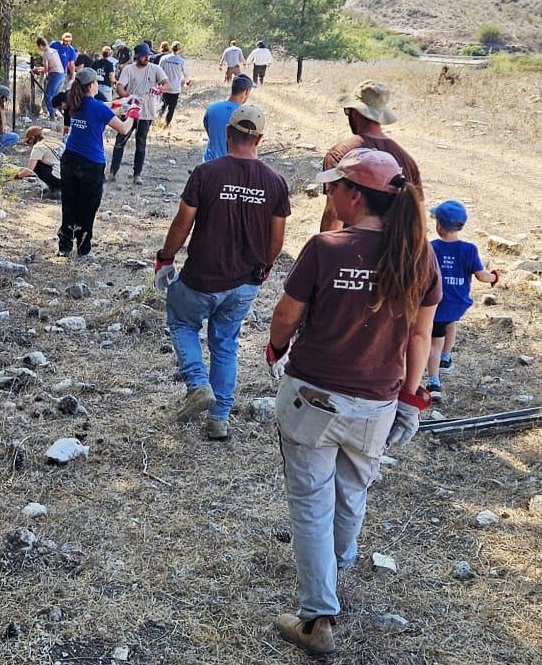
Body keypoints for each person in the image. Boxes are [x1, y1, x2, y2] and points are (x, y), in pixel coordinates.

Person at [267, 148, 440, 657]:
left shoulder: (326, 247)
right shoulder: (418, 255)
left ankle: (317, 612)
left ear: (355, 194)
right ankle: (336, 563)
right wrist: (412, 396)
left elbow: (284, 316)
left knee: (310, 501)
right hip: (376, 402)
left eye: (334, 187)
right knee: (352, 490)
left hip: (312, 397)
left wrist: (276, 349)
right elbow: (421, 334)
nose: (329, 195)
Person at [155, 105, 290, 439]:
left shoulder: (206, 173)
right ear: (259, 138)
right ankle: (219, 420)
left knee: (182, 321)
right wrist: (264, 267)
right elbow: (277, 240)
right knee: (226, 343)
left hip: (201, 277)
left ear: (228, 133)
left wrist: (166, 257)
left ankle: (198, 383)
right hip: (244, 282)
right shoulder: (275, 182)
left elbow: (182, 224)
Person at [320, 80, 422, 232]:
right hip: (394, 251)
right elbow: (416, 218)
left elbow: (333, 214)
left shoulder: (340, 154)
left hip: (353, 249)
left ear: (355, 112)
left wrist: (325, 250)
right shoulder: (407, 161)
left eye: (347, 111)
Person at [425, 200, 500, 401]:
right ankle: (446, 358)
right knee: (452, 324)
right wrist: (494, 277)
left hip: (436, 304)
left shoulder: (431, 248)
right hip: (457, 304)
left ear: (439, 225)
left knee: (434, 342)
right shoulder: (469, 249)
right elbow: (481, 275)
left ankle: (433, 381)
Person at [58, 68, 135, 257]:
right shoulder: (97, 107)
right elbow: (124, 129)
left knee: (69, 203)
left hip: (69, 159)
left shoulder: (74, 102)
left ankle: (65, 245)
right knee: (88, 206)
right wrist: (133, 113)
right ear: (92, 85)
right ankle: (83, 247)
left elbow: (102, 106)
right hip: (91, 163)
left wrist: (120, 102)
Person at [109, 42, 169, 185]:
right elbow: (120, 86)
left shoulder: (155, 69)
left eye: (148, 55)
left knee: (141, 143)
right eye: (143, 56)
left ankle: (137, 175)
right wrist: (128, 98)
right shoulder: (128, 69)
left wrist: (159, 89)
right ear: (137, 57)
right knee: (120, 141)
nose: (146, 58)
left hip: (146, 112)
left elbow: (167, 84)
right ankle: (112, 172)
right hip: (129, 111)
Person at [202, 73, 254, 162]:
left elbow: (208, 130)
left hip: (209, 162)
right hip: (232, 166)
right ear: (246, 91)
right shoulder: (246, 115)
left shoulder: (212, 108)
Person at [13, 126, 64, 199]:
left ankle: (54, 190)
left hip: (61, 180)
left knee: (36, 166)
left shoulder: (38, 146)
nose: (28, 144)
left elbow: (29, 171)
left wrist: (18, 176)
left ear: (33, 138)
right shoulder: (56, 141)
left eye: (28, 141)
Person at [157, 41, 190, 128]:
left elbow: (159, 70)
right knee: (171, 108)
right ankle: (167, 124)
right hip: (175, 88)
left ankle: (157, 121)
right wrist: (187, 81)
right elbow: (186, 73)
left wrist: (158, 83)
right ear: (179, 49)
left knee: (163, 105)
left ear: (171, 48)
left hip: (165, 86)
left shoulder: (164, 58)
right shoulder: (181, 61)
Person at [35, 37, 66, 120]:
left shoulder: (46, 54)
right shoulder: (53, 51)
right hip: (61, 74)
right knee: (54, 95)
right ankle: (55, 113)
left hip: (55, 74)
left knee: (48, 95)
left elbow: (46, 69)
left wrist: (38, 71)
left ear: (41, 46)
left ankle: (52, 114)